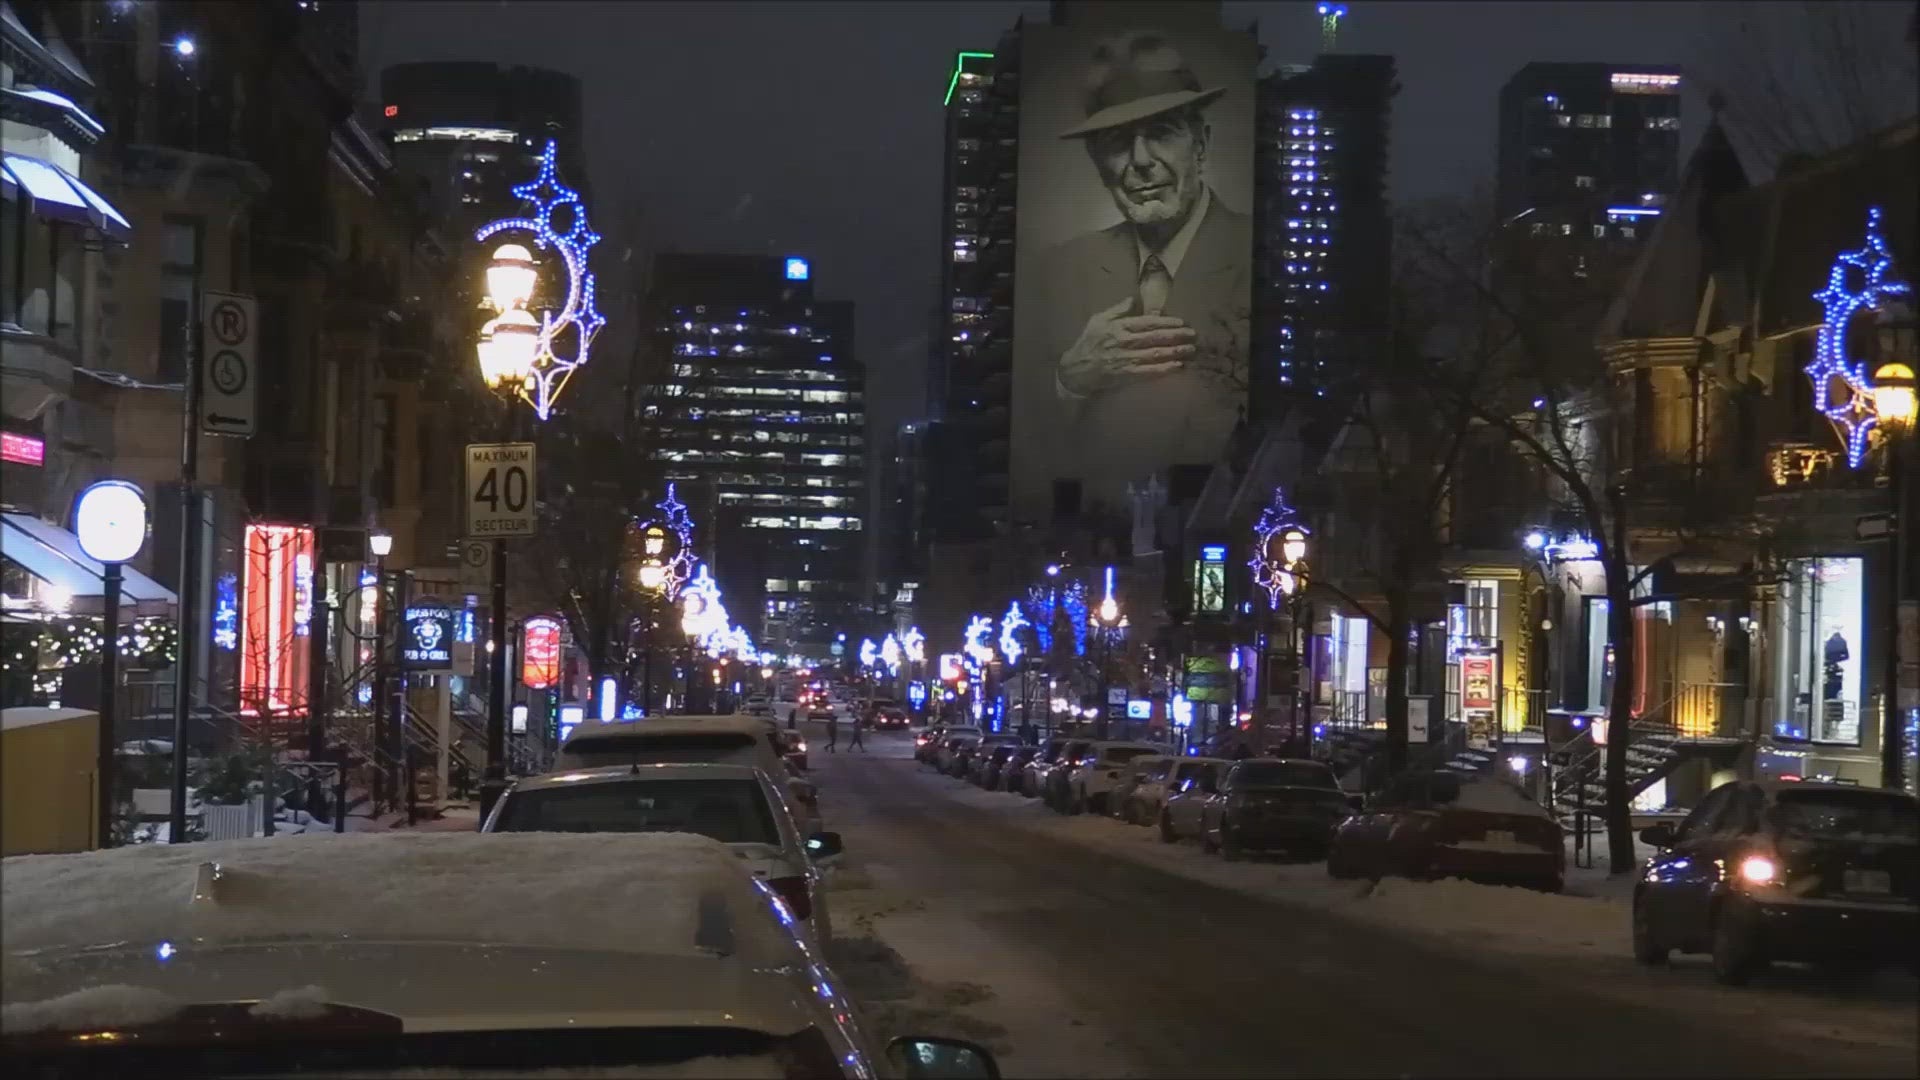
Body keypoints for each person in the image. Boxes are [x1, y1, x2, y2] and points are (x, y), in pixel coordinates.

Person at [1022, 30, 1252, 504]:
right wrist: (1069, 381)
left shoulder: (1261, 262)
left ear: (1201, 143)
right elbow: (1031, 444)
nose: (1141, 161)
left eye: (1162, 133)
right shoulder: (1058, 270)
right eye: (1118, 142)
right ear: (1096, 160)